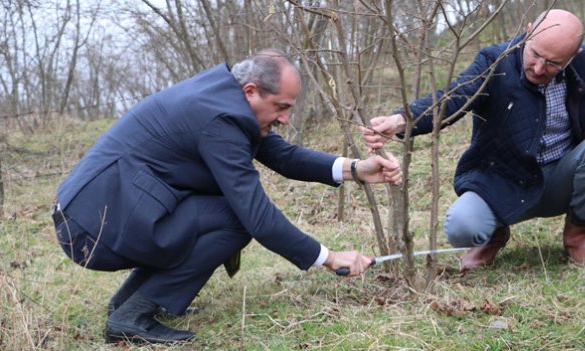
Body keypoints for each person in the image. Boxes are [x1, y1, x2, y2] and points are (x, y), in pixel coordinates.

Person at [52, 49, 402, 344]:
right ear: (251, 91)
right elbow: (257, 216)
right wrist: (328, 257)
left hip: (103, 212)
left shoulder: (224, 99)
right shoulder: (220, 120)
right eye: (281, 107)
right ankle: (131, 318)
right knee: (236, 219)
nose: (285, 118)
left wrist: (357, 169)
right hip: (93, 228)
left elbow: (282, 155)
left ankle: (128, 304)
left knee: (222, 213)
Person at [362, 10, 585, 272]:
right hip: (504, 180)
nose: (538, 68)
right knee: (461, 227)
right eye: (535, 54)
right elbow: (455, 97)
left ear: (573, 56)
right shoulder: (495, 61)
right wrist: (401, 119)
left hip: (563, 177)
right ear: (529, 31)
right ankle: (493, 235)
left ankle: (578, 233)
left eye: (552, 63)